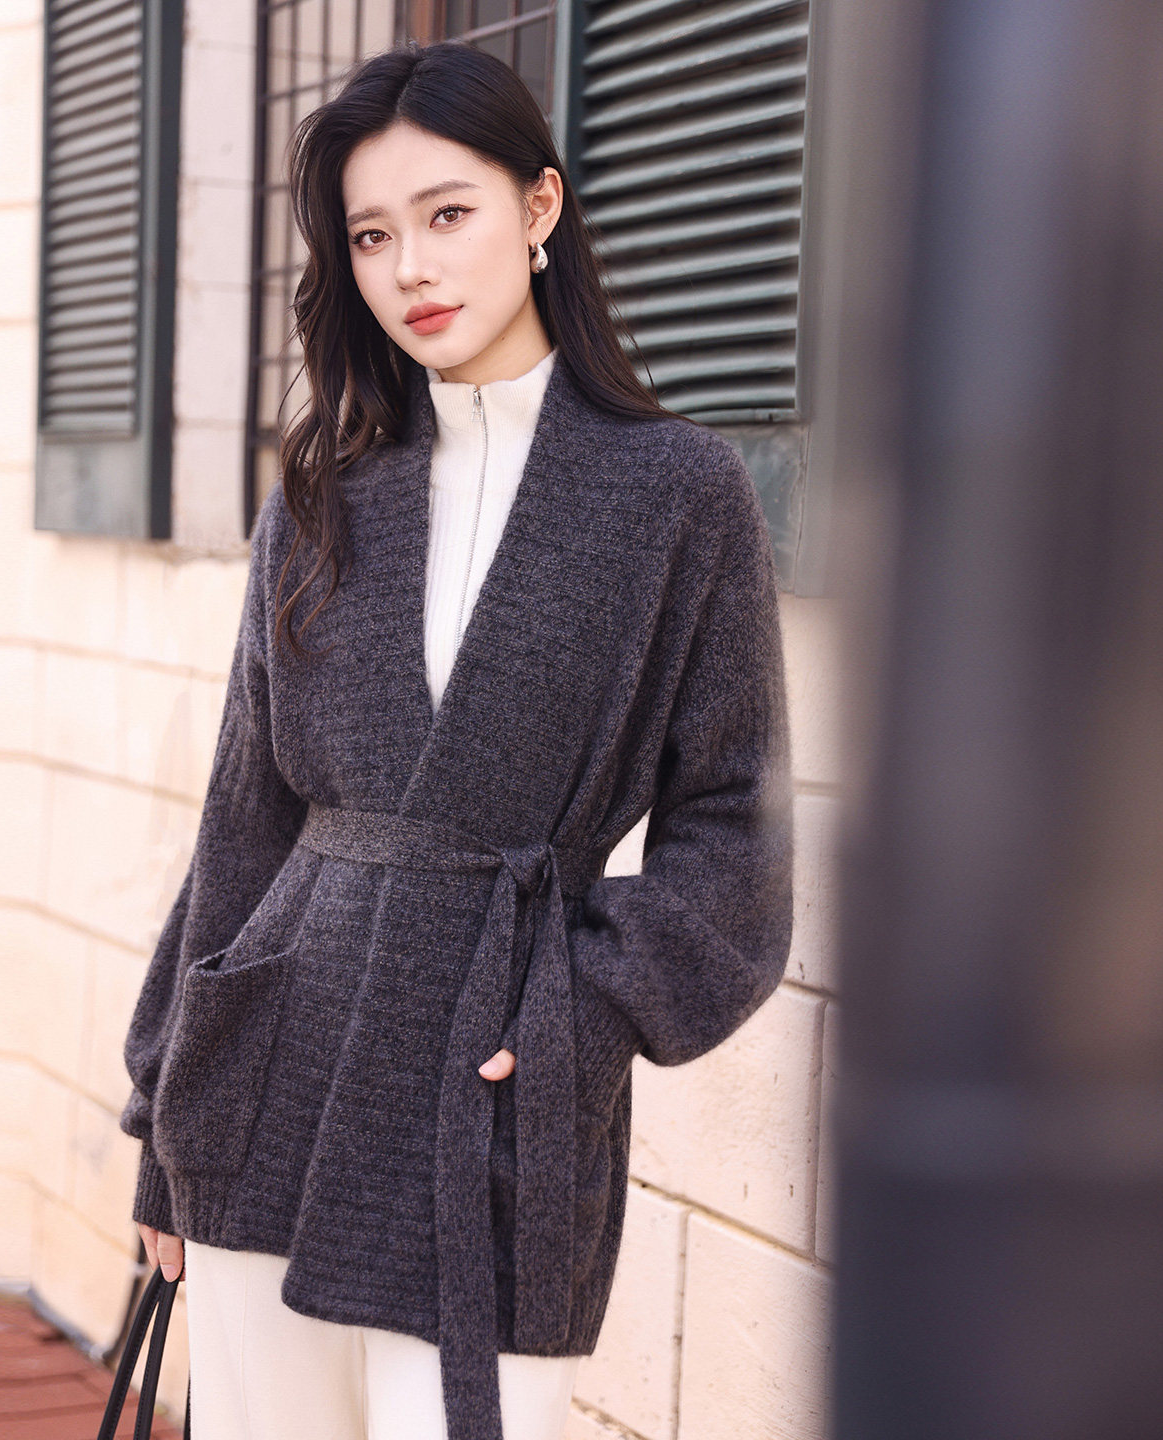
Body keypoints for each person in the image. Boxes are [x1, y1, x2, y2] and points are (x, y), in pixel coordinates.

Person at [119, 38, 794, 1440]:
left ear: (540, 207)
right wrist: (160, 1120)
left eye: (447, 213)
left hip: (490, 1087)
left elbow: (735, 824)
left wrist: (584, 1008)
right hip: (266, 1080)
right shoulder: (323, 495)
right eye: (371, 235)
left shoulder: (675, 493)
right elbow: (244, 822)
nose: (411, 268)